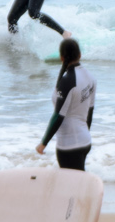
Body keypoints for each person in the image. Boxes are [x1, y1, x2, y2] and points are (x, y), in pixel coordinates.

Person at [36, 37, 97, 169]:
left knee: (72, 181)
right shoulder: (91, 78)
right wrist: (84, 135)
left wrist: (43, 143)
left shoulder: (68, 81)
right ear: (80, 55)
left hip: (69, 145)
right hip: (85, 141)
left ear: (62, 57)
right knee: (78, 179)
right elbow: (90, 112)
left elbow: (58, 116)